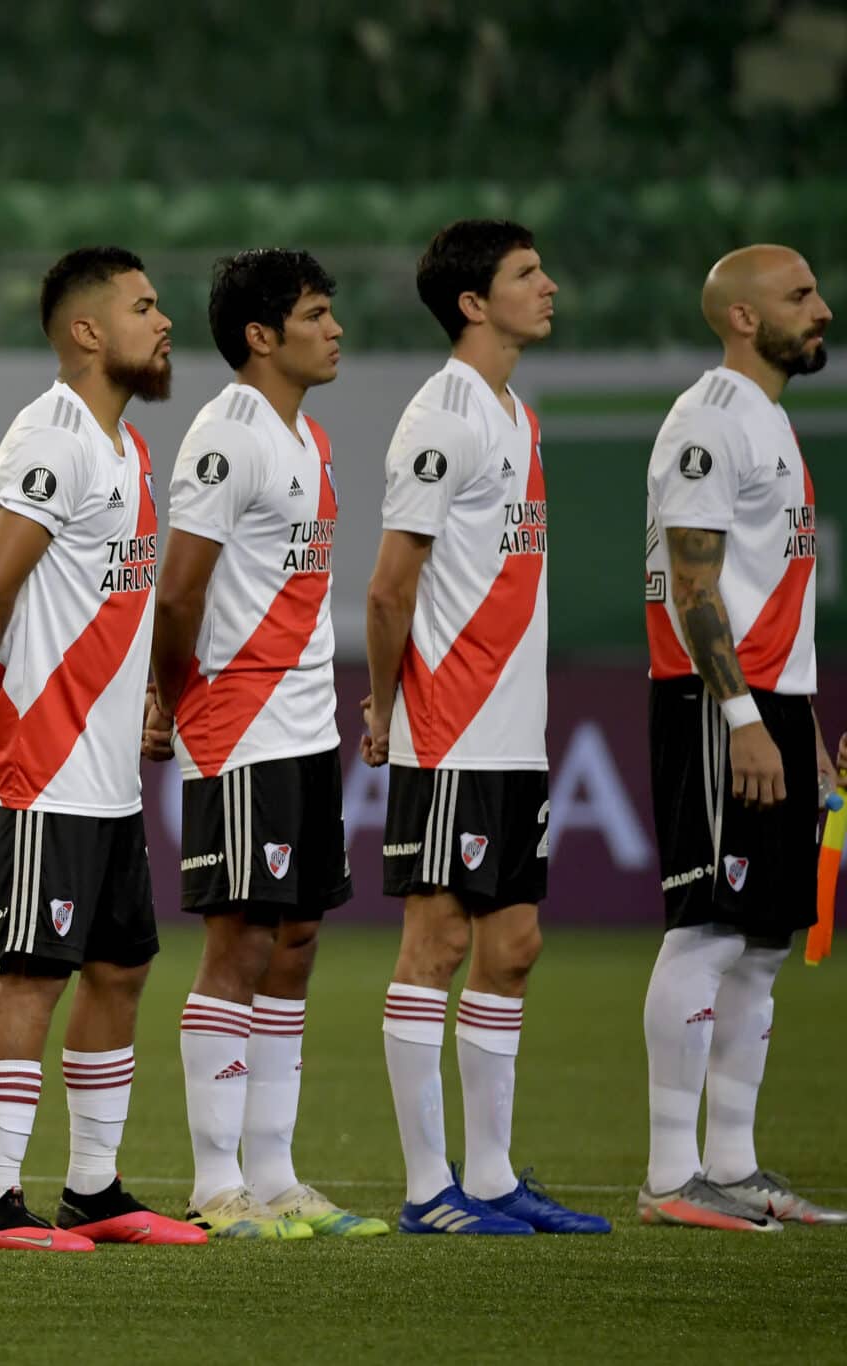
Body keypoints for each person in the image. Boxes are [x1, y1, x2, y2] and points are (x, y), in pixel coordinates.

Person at [361, 219, 607, 1236]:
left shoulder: (516, 413)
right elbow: (387, 589)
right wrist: (384, 703)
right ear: (471, 303)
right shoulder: (443, 415)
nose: (547, 285)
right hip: (450, 728)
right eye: (523, 273)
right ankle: (429, 1189)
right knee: (438, 938)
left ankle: (496, 1177)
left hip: (513, 735)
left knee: (513, 943)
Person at [0, 246, 198, 1251]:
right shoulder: (51, 441)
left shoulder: (126, 449)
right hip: (37, 765)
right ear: (86, 331)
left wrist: (141, 692)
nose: (163, 322)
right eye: (143, 306)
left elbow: (98, 603)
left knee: (120, 966)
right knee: (31, 975)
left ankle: (92, 1189)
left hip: (100, 775)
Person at [150, 248, 381, 1241]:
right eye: (316, 313)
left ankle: (277, 1175)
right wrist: (167, 704)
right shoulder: (226, 435)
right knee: (238, 941)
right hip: (235, 722)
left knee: (295, 940)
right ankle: (214, 1185)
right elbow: (177, 591)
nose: (334, 329)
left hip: (302, 723)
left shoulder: (310, 439)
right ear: (259, 334)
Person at [639, 243, 842, 1229]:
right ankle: (670, 1175)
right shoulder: (710, 419)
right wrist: (742, 718)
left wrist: (797, 729)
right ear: (741, 319)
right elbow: (692, 586)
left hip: (771, 706)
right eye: (799, 295)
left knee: (759, 945)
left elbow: (767, 591)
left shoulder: (765, 420)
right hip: (714, 702)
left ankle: (731, 1163)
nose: (822, 310)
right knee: (705, 928)